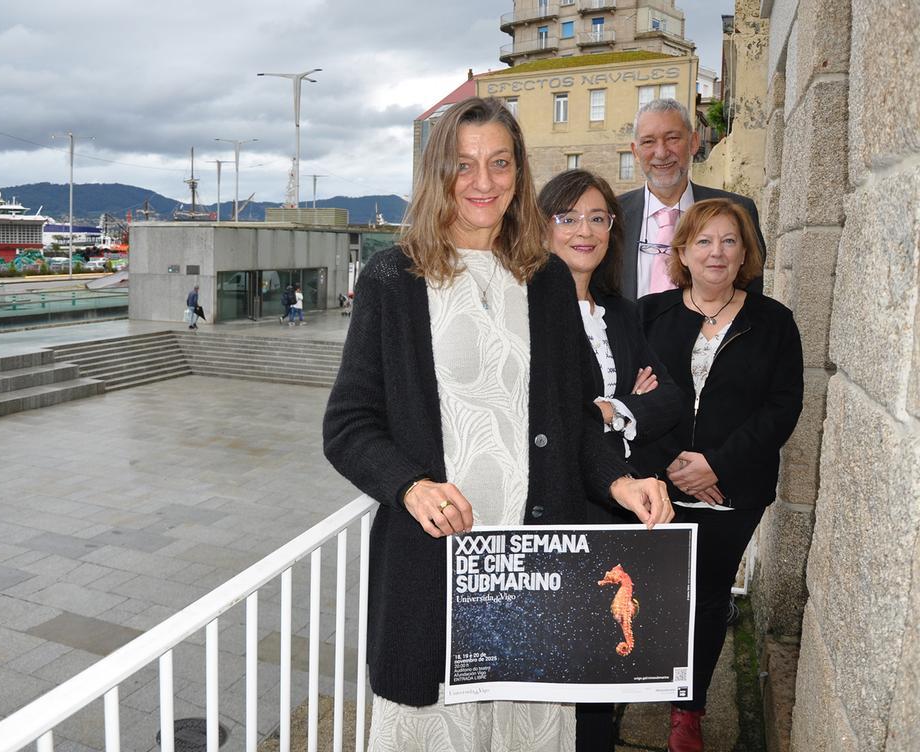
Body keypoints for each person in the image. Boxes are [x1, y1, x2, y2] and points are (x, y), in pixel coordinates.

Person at [323, 96, 674, 752]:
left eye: (499, 163)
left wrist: (622, 483)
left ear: (519, 175)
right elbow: (348, 423)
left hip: (533, 571)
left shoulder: (544, 281)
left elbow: (572, 418)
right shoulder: (391, 279)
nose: (482, 181)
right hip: (436, 572)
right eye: (463, 165)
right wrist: (410, 486)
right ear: (437, 175)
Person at [631, 198, 802, 751]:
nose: (717, 252)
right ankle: (621, 688)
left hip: (732, 491)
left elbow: (782, 406)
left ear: (745, 251)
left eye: (729, 240)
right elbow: (632, 398)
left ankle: (689, 709)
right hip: (657, 488)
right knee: (648, 595)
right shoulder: (648, 315)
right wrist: (677, 466)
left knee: (706, 600)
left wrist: (715, 464)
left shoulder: (772, 320)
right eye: (703, 241)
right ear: (681, 251)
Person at [538, 168, 683, 747]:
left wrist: (612, 409)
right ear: (541, 227)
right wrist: (607, 405)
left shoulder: (621, 313)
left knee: (601, 672)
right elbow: (542, 414)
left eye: (598, 218)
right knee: (548, 666)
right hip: (551, 511)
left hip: (612, 511)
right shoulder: (527, 313)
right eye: (568, 217)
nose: (584, 230)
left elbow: (671, 397)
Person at [618, 99, 766, 301]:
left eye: (672, 138)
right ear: (635, 151)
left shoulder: (738, 211)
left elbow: (751, 297)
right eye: (648, 142)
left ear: (694, 142)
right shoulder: (612, 215)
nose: (661, 153)